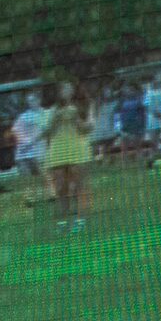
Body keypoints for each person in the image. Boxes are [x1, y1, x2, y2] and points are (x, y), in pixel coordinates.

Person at [42, 81, 93, 229]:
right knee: (60, 187)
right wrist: (56, 119)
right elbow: (45, 132)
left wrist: (77, 119)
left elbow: (86, 129)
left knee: (78, 185)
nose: (66, 93)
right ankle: (63, 219)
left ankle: (80, 219)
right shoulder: (50, 111)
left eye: (69, 90)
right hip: (58, 148)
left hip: (76, 147)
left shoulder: (80, 108)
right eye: (63, 90)